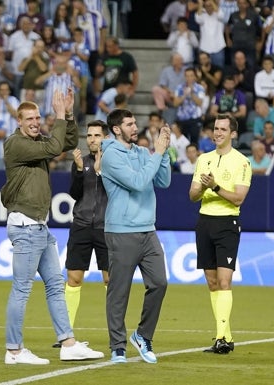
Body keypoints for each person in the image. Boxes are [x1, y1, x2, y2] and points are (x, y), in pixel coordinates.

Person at [1, 88, 104, 365]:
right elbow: (54, 148)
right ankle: (13, 350)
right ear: (19, 122)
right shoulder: (15, 144)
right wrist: (58, 116)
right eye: (29, 118)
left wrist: (68, 115)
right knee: (22, 289)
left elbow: (67, 141)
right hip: (26, 225)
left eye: (37, 117)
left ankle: (68, 344)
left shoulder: (37, 141)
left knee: (56, 286)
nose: (35, 122)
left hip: (39, 227)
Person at [101, 108, 171, 364]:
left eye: (134, 122)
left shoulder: (142, 153)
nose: (135, 127)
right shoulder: (110, 156)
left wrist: (163, 153)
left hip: (148, 230)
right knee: (119, 291)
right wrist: (158, 153)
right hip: (121, 231)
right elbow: (139, 182)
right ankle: (117, 346)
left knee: (160, 283)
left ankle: (142, 335)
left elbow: (163, 181)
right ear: (117, 129)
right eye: (129, 124)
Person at [188, 113, 251, 355]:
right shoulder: (203, 159)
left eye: (223, 129)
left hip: (227, 223)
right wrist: (203, 186)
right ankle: (225, 336)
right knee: (212, 283)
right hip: (205, 221)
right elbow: (192, 195)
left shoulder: (242, 162)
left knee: (224, 282)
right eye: (215, 129)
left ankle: (222, 338)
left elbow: (239, 198)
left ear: (233, 134)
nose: (217, 133)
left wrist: (214, 186)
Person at [63, 119, 110, 341]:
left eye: (96, 135)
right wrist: (80, 170)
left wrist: (101, 172)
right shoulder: (80, 162)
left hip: (106, 227)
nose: (92, 139)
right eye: (89, 136)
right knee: (73, 278)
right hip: (81, 224)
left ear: (106, 138)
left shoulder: (114, 162)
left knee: (111, 280)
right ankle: (66, 332)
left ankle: (115, 332)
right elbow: (74, 193)